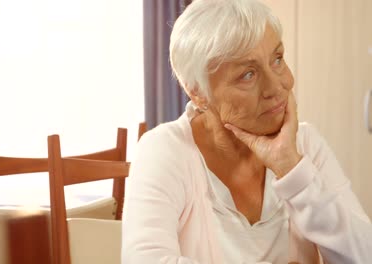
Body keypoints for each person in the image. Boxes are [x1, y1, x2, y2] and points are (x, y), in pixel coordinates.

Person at [121, 0, 372, 263]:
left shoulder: (305, 146)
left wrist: (291, 169)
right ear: (197, 92)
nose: (278, 86)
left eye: (277, 59)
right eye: (248, 75)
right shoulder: (164, 150)